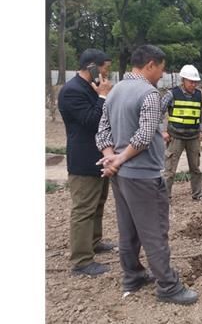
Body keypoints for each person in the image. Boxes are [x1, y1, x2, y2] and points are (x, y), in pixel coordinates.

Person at [95, 45, 198, 305]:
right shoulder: (149, 94)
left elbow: (102, 133)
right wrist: (119, 158)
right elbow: (143, 136)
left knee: (128, 229)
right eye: (161, 69)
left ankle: (133, 275)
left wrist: (111, 157)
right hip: (142, 174)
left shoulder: (114, 91)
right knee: (155, 230)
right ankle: (168, 286)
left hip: (121, 175)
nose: (161, 76)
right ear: (150, 64)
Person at [58, 48, 115, 277]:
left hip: (99, 156)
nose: (105, 75)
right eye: (104, 69)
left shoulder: (89, 87)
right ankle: (81, 260)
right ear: (91, 66)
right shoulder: (72, 91)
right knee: (83, 209)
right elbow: (93, 121)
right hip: (83, 159)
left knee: (98, 202)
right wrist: (102, 96)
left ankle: (94, 241)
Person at [161, 64, 202, 201]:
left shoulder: (198, 95)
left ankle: (197, 194)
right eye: (191, 81)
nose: (194, 84)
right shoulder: (172, 94)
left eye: (195, 82)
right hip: (175, 137)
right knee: (169, 170)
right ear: (183, 80)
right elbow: (159, 111)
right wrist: (162, 131)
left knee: (196, 168)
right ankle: (164, 197)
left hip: (193, 137)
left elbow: (201, 114)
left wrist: (201, 131)